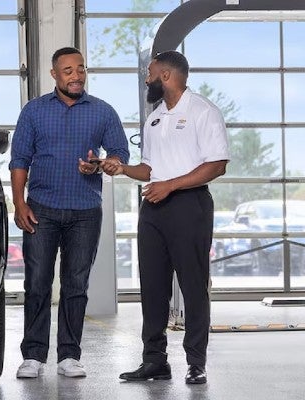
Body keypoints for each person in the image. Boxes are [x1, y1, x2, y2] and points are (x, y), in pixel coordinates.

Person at [101, 50, 229, 385]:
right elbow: (149, 169)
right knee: (153, 287)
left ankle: (196, 362)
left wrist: (170, 186)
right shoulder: (154, 118)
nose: (147, 78)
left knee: (193, 285)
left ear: (167, 76)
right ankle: (155, 361)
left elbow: (217, 164)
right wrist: (122, 168)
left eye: (151, 73)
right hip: (154, 209)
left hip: (190, 205)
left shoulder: (203, 111)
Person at [10, 47, 129, 379]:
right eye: (68, 71)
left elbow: (120, 152)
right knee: (37, 283)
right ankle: (33, 355)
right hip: (41, 211)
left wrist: (102, 165)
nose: (76, 76)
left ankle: (69, 356)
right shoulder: (33, 112)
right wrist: (19, 204)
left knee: (76, 285)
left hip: (86, 212)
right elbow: (19, 159)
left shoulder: (103, 112)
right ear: (54, 75)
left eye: (81, 69)